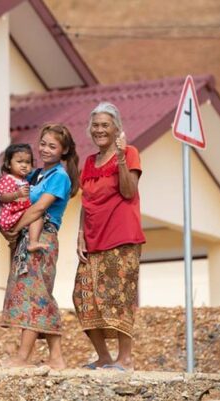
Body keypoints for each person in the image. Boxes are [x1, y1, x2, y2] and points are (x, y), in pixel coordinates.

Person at [0, 123, 80, 370]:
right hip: (29, 235)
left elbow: (39, 208)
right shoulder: (36, 175)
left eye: (52, 146)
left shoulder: (59, 177)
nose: (45, 149)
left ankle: (23, 357)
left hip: (43, 237)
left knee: (34, 295)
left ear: (64, 151)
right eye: (43, 144)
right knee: (37, 294)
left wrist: (14, 228)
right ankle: (56, 357)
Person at [73, 102, 145, 371]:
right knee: (82, 297)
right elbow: (86, 200)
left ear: (117, 128)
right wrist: (80, 233)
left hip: (121, 237)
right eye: (96, 125)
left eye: (105, 125)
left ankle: (125, 359)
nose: (99, 130)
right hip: (92, 239)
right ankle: (104, 356)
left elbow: (129, 191)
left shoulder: (129, 152)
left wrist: (122, 157)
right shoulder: (90, 161)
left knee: (119, 297)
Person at [0, 144, 45, 252]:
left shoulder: (24, 180)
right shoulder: (8, 179)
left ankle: (17, 243)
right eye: (19, 162)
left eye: (27, 162)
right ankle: (33, 242)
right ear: (8, 164)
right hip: (11, 214)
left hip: (20, 212)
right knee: (37, 217)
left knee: (36, 217)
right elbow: (2, 197)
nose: (24, 165)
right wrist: (17, 194)